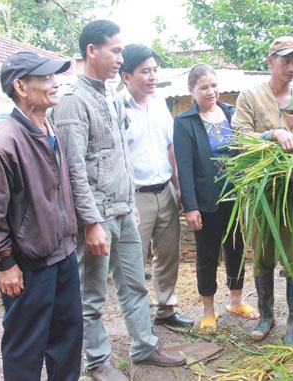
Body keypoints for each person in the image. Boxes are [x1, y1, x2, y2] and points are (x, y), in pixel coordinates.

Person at [51, 20, 185, 381]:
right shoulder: (73, 103)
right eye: (115, 50)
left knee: (134, 284)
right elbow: (73, 169)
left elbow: (119, 156)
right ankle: (97, 361)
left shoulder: (110, 94)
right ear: (92, 51)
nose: (120, 58)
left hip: (125, 211)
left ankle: (144, 345)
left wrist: (129, 203)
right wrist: (91, 223)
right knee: (92, 296)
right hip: (97, 216)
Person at [0, 52, 83, 380]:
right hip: (29, 265)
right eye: (46, 78)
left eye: (55, 77)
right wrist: (5, 264)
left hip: (63, 254)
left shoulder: (50, 128)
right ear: (21, 86)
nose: (55, 83)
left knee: (68, 339)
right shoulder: (3, 143)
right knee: (26, 348)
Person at [231, 36, 293, 343]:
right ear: (270, 61)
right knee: (263, 254)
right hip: (262, 193)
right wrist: (273, 133)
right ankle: (266, 315)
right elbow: (240, 136)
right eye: (286, 62)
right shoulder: (250, 97)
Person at [174, 63, 260, 334]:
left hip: (235, 196)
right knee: (207, 255)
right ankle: (208, 311)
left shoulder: (232, 113)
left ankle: (235, 301)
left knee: (236, 249)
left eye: (213, 85)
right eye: (203, 87)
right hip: (206, 199)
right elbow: (184, 166)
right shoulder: (185, 121)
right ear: (191, 90)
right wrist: (191, 206)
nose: (210, 92)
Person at [119, 43, 193, 329]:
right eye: (144, 71)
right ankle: (136, 320)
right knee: (133, 260)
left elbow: (170, 147)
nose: (151, 77)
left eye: (154, 70)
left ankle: (165, 310)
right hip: (136, 196)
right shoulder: (117, 107)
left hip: (164, 190)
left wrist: (178, 187)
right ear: (127, 76)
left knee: (168, 253)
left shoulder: (160, 102)